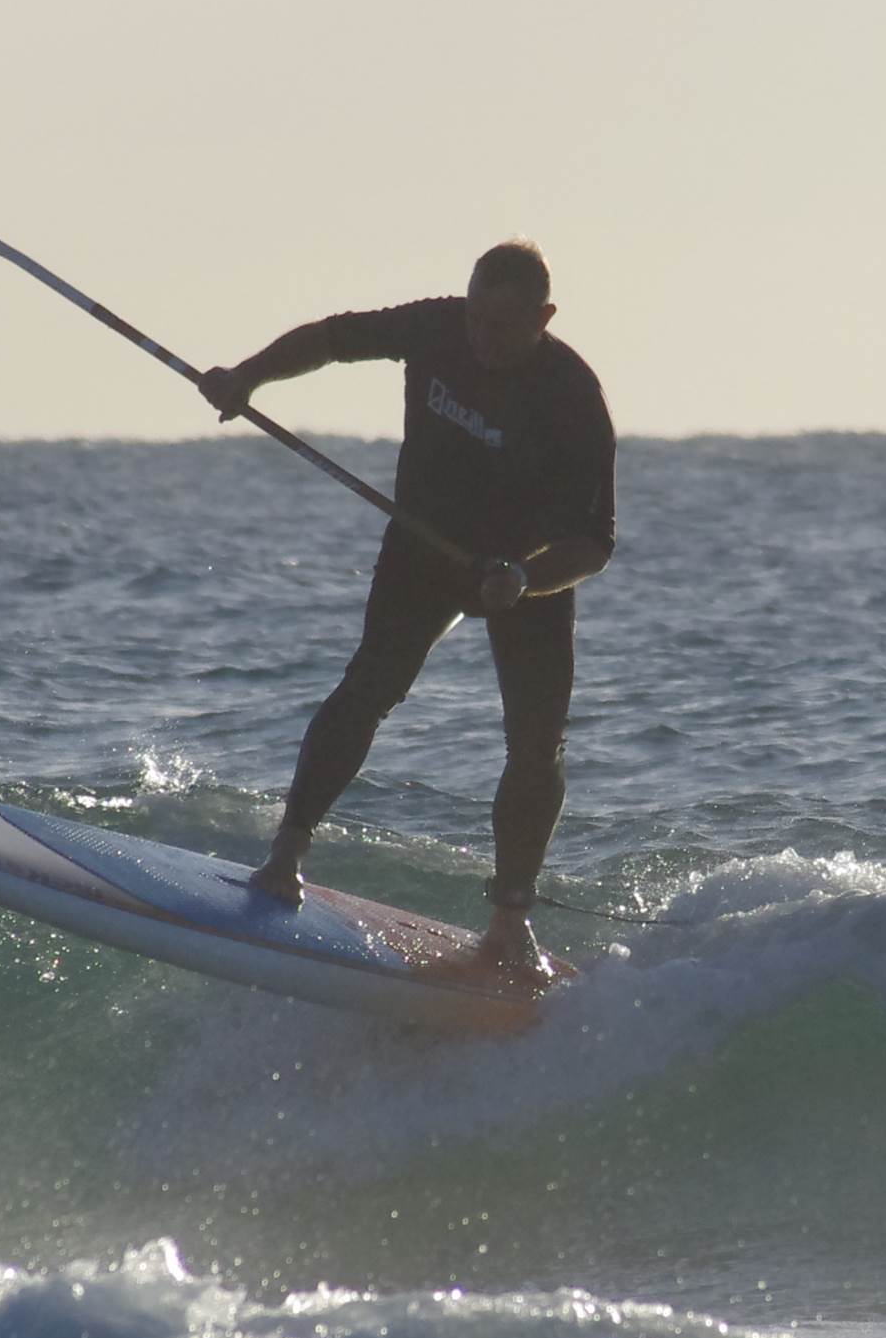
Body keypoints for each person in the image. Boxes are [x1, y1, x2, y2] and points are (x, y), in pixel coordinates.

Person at [197, 241, 614, 985]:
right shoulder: (434, 327)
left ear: (544, 318)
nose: (481, 339)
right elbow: (329, 340)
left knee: (535, 745)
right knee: (370, 687)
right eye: (475, 317)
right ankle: (285, 856)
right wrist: (248, 376)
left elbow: (593, 542)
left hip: (522, 575)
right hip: (423, 554)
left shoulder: (570, 394)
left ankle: (510, 924)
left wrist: (522, 576)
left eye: (502, 326)